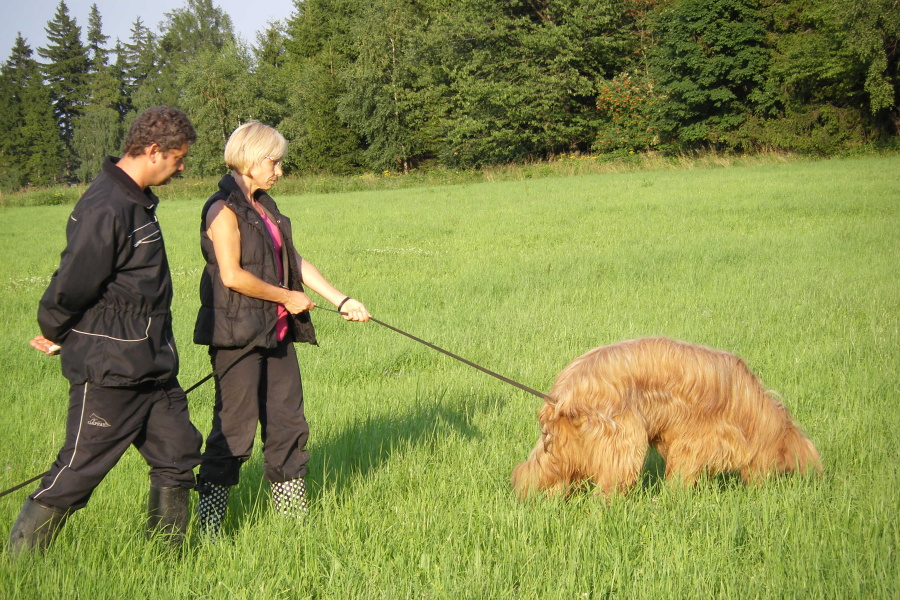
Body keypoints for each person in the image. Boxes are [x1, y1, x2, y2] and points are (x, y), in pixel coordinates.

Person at [9, 106, 204, 554]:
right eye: (178, 159)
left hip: (152, 367)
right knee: (77, 471)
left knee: (177, 457)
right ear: (154, 151)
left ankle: (165, 562)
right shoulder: (107, 207)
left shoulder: (133, 201)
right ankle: (19, 564)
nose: (181, 168)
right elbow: (73, 282)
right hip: (112, 370)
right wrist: (54, 330)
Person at [193, 121, 370, 536]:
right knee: (234, 432)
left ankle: (293, 525)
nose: (279, 170)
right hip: (237, 337)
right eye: (274, 161)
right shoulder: (222, 209)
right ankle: (210, 527)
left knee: (289, 426)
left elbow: (295, 261)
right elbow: (232, 276)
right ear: (251, 159)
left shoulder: (265, 207)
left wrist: (341, 299)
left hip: (277, 333)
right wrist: (286, 297)